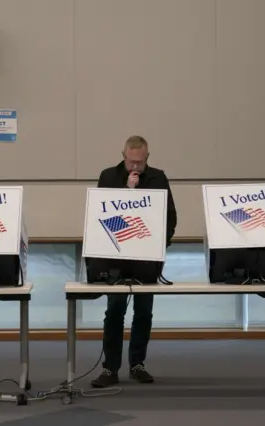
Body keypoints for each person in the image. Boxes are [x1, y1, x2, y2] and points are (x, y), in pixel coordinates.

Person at [91, 135, 177, 388]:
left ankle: (137, 364)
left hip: (147, 257)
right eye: (131, 162)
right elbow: (101, 213)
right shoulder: (108, 176)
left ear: (147, 158)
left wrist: (161, 244)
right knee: (115, 311)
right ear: (123, 156)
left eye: (140, 162)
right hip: (116, 256)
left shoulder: (158, 178)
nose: (136, 167)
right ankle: (110, 368)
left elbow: (170, 216)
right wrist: (127, 191)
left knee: (143, 312)